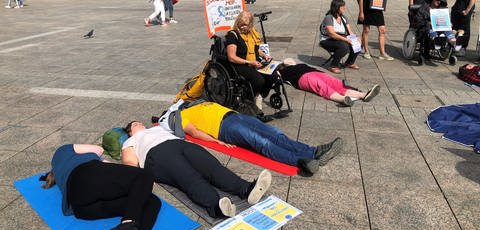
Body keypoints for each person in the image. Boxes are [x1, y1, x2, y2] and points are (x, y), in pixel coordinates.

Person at [42, 144, 161, 230]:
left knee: (151, 201)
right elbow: (99, 150)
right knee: (144, 175)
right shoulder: (63, 150)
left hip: (82, 209)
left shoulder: (61, 167)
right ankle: (127, 225)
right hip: (83, 177)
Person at [121, 121, 272, 218]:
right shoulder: (130, 141)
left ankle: (246, 189)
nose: (140, 123)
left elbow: (184, 125)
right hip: (157, 154)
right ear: (130, 130)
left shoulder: (158, 128)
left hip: (180, 144)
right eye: (135, 123)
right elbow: (129, 161)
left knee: (212, 168)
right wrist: (142, 179)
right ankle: (216, 206)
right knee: (188, 177)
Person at [156, 100, 343, 175]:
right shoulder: (180, 116)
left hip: (235, 116)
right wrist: (215, 141)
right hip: (225, 128)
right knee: (262, 143)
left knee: (276, 134)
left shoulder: (197, 104)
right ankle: (301, 161)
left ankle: (314, 151)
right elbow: (195, 133)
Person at [277, 58, 380, 106]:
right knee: (321, 86)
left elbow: (289, 61)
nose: (290, 62)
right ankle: (342, 99)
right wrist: (279, 68)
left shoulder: (299, 65)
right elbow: (279, 72)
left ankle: (363, 95)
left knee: (337, 83)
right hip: (302, 78)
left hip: (316, 73)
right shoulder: (283, 72)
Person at [226, 11, 274, 110]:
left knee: (273, 75)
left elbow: (255, 49)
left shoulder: (251, 33)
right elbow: (231, 57)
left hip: (253, 62)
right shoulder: (233, 35)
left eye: (246, 25)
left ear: (250, 24)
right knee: (259, 80)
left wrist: (264, 55)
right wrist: (249, 62)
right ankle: (248, 98)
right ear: (237, 22)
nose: (243, 27)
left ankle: (259, 95)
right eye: (241, 24)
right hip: (239, 64)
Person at [319, 0, 361, 74]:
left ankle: (349, 62)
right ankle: (333, 66)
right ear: (336, 7)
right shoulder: (329, 17)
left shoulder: (343, 17)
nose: (344, 8)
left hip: (339, 38)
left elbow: (349, 31)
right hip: (327, 40)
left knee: (358, 44)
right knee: (344, 46)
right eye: (342, 7)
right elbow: (332, 34)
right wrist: (346, 40)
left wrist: (355, 38)